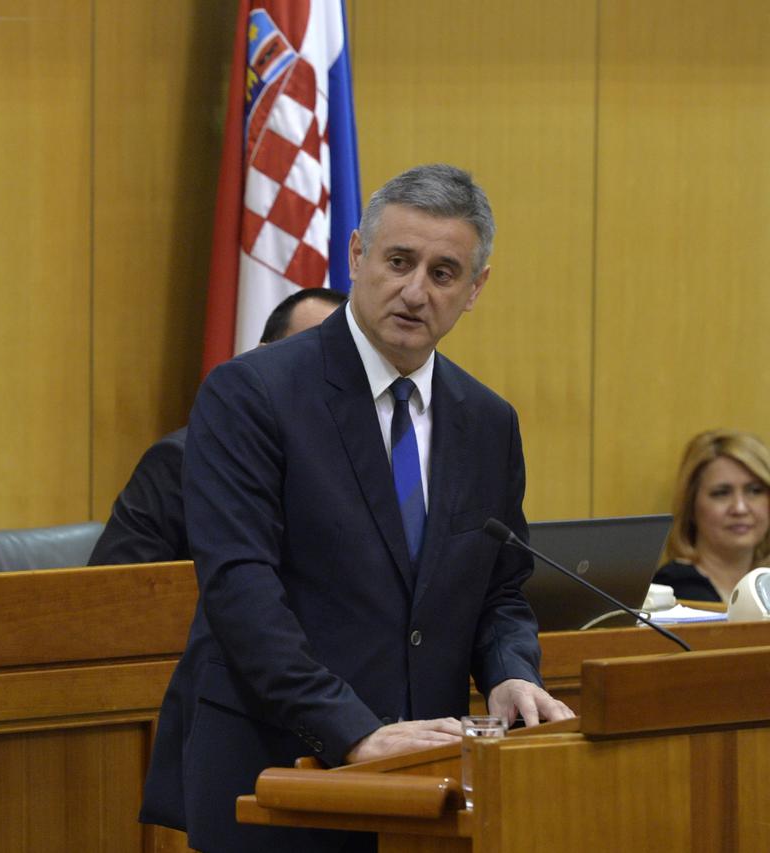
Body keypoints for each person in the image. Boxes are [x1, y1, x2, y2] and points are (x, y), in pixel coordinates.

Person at [139, 164, 573, 852]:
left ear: (475, 288)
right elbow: (241, 592)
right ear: (356, 255)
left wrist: (511, 671)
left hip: (426, 782)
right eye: (399, 261)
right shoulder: (252, 394)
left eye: (443, 272)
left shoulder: (488, 420)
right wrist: (353, 729)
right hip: (277, 771)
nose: (414, 290)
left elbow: (501, 591)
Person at [88, 288, 346, 566]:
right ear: (263, 356)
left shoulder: (358, 464)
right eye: (307, 356)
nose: (325, 380)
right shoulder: (181, 460)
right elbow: (115, 595)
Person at [654, 429, 770, 603]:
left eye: (754, 491)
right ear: (691, 506)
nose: (740, 508)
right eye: (721, 493)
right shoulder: (675, 588)